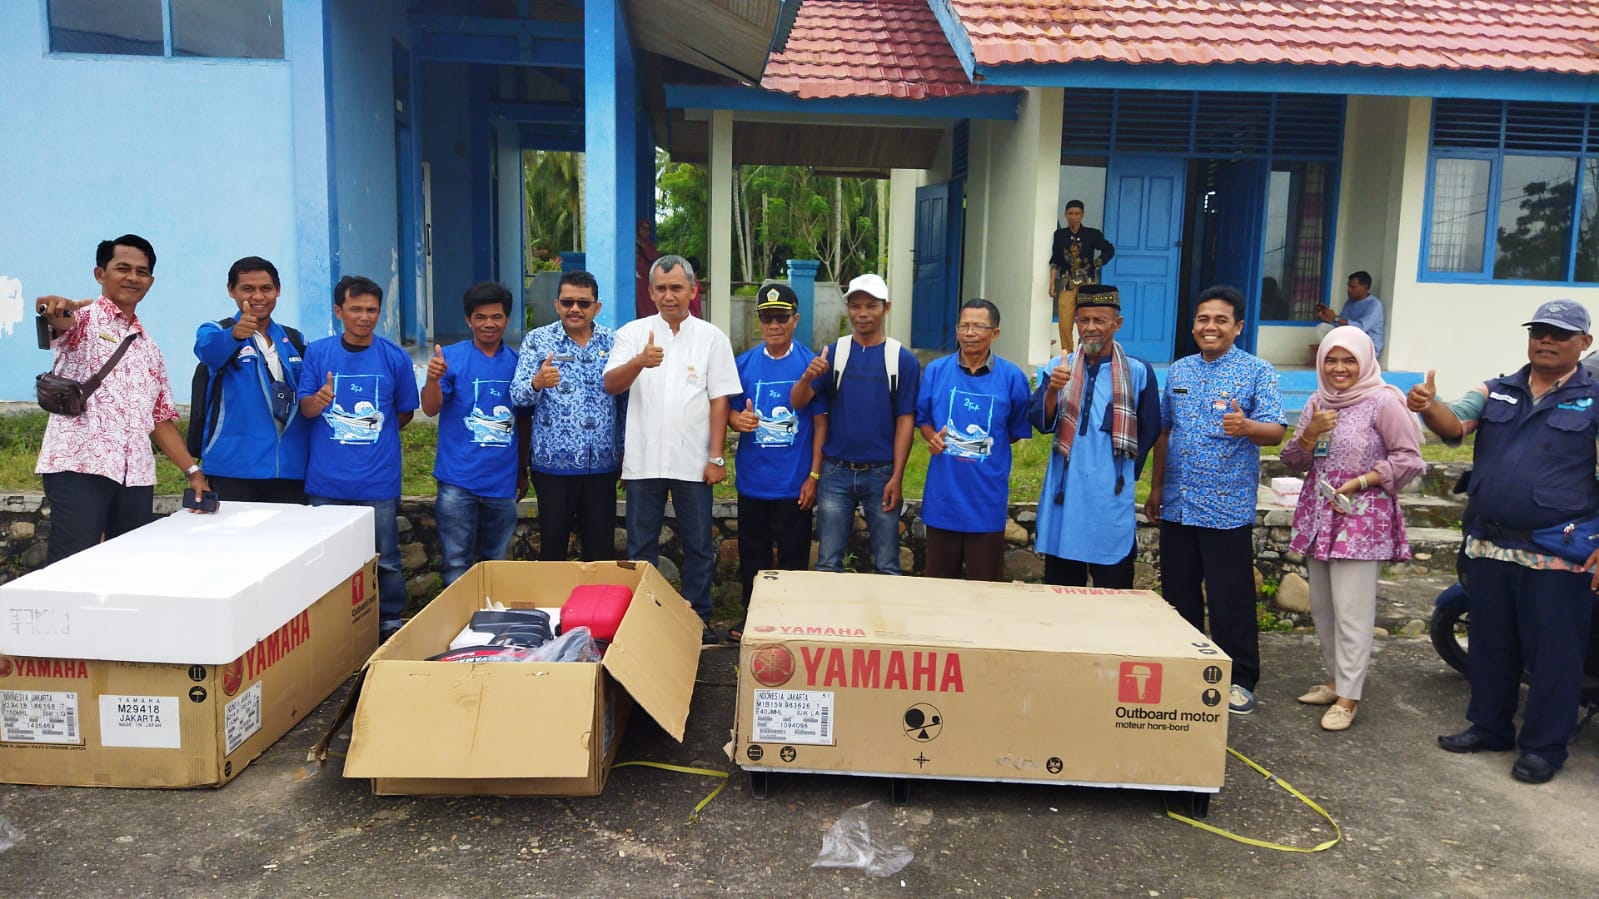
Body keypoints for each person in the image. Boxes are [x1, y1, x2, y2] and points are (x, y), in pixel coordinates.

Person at [1409, 299, 1599, 784]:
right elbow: (1454, 425)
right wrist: (1430, 406)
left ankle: (1544, 747)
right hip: (1491, 546)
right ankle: (1490, 726)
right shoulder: (1497, 389)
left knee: (1556, 656)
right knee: (1493, 644)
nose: (1546, 340)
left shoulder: (1594, 397)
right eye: (1539, 330)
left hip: (1558, 552)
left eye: (1559, 333)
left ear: (1585, 343)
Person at [1145, 285, 1285, 714]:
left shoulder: (1258, 371)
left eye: (1221, 320)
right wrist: (1155, 488)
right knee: (1179, 593)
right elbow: (1165, 432)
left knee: (1230, 598)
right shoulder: (1180, 371)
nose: (1211, 327)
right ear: (1193, 326)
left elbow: (1277, 430)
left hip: (1226, 506)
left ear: (1238, 326)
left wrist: (1248, 428)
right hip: (1179, 504)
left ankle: (1239, 677)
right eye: (1203, 319)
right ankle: (1189, 669)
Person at [35, 234, 214, 563]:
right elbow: (56, 318)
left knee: (130, 566)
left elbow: (159, 419)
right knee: (73, 562)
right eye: (122, 268)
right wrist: (50, 306)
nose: (133, 277)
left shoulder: (149, 348)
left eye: (142, 271)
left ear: (151, 281)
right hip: (80, 467)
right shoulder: (83, 320)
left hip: (136, 476)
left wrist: (193, 472)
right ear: (100, 274)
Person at [1281, 326, 1424, 731]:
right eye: (1331, 360)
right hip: (1319, 516)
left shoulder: (1384, 401)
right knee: (1324, 608)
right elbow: (1293, 460)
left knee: (1353, 612)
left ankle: (1349, 697)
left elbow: (1409, 458)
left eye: (1349, 361)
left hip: (1361, 518)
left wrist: (1364, 480)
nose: (1339, 369)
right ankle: (1335, 680)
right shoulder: (1317, 402)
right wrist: (1310, 433)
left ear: (1364, 362)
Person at [604, 255, 740, 644]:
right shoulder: (632, 334)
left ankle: (696, 618)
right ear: (650, 292)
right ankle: (644, 617)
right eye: (660, 288)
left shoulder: (711, 338)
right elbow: (611, 384)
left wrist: (716, 457)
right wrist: (640, 362)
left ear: (692, 291)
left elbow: (719, 400)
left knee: (698, 544)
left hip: (694, 462)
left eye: (676, 288)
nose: (668, 296)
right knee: (640, 545)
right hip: (644, 461)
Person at [297, 275, 420, 639]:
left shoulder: (394, 356)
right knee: (325, 558)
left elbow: (404, 412)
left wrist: (369, 433)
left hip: (377, 480)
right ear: (338, 311)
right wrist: (317, 401)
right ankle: (330, 623)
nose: (364, 317)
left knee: (387, 557)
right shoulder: (318, 353)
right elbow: (304, 410)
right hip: (326, 480)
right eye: (355, 309)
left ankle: (388, 620)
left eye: (371, 310)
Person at [1029, 285, 1161, 588]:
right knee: (1062, 595)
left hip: (1109, 499)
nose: (1090, 328)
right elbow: (1040, 421)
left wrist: (1122, 473)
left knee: (1113, 597)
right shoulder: (1057, 367)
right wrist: (1053, 389)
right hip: (1064, 498)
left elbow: (1150, 427)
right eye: (1083, 320)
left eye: (1099, 320)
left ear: (1117, 324)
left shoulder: (1138, 372)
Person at [791, 273, 921, 576]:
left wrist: (897, 476)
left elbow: (906, 421)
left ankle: (886, 623)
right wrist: (810, 375)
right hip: (836, 472)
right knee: (827, 562)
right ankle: (832, 623)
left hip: (881, 473)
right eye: (855, 306)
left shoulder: (901, 360)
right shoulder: (834, 353)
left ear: (886, 308)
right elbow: (798, 402)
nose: (862, 313)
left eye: (871, 306)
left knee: (887, 563)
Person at [726, 284, 825, 637]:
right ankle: (753, 617)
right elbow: (729, 411)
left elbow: (819, 422)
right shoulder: (744, 364)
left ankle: (790, 621)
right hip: (753, 480)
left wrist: (814, 474)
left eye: (781, 317)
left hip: (793, 482)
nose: (774, 325)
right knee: (753, 555)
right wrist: (739, 421)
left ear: (795, 320)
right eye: (767, 317)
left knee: (794, 557)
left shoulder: (810, 363)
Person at [913, 299, 1032, 581]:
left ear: (995, 333)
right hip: (943, 496)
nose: (969, 332)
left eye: (979, 326)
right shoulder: (935, 371)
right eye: (963, 325)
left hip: (986, 498)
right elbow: (924, 420)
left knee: (985, 586)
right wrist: (932, 438)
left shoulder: (1013, 377)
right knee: (939, 585)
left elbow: (1013, 432)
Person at [421, 281, 531, 587]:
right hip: (458, 480)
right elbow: (430, 409)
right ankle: (455, 624)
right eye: (480, 317)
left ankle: (489, 623)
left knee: (495, 563)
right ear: (469, 320)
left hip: (501, 482)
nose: (489, 324)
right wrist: (432, 379)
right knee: (456, 563)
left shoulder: (518, 363)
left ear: (507, 319)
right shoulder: (450, 359)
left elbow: (524, 422)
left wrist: (521, 471)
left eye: (496, 316)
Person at [512, 270, 623, 562]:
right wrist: (537, 382)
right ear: (556, 304)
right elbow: (517, 395)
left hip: (602, 464)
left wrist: (626, 450)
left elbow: (624, 402)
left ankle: (597, 607)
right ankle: (554, 606)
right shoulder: (537, 341)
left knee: (600, 549)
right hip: (553, 466)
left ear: (597, 307)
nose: (575, 309)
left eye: (584, 303)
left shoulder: (614, 343)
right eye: (568, 302)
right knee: (553, 545)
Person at [191, 256, 310, 503]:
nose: (258, 296)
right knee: (236, 542)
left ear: (278, 290)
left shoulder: (295, 339)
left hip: (290, 469)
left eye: (265, 288)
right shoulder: (215, 330)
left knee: (288, 542)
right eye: (247, 289)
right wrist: (234, 335)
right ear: (231, 290)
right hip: (233, 469)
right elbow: (207, 351)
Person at [1047, 200, 1115, 353]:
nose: (1073, 217)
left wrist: (1098, 262)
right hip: (1067, 283)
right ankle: (1068, 354)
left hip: (1088, 284)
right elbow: (1055, 260)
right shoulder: (1060, 235)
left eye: (1077, 213)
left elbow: (1109, 249)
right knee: (1064, 321)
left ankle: (1083, 352)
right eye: (1070, 213)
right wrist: (1052, 284)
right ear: (1065, 215)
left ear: (1082, 215)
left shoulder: (1092, 234)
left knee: (1087, 318)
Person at [1314, 271, 1385, 355]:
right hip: (1350, 341)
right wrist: (1325, 316)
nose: (1349, 290)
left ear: (1365, 288)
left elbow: (1361, 328)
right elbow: (1341, 326)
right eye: (1348, 286)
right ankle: (1336, 352)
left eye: (1353, 287)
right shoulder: (1350, 302)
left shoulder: (1374, 305)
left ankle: (1336, 352)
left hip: (1366, 346)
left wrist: (1335, 318)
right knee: (1322, 327)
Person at [634, 218, 662, 320]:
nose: (645, 231)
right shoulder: (632, 244)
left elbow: (654, 257)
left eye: (648, 229)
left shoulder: (650, 246)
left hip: (648, 280)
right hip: (638, 280)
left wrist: (643, 246)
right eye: (643, 228)